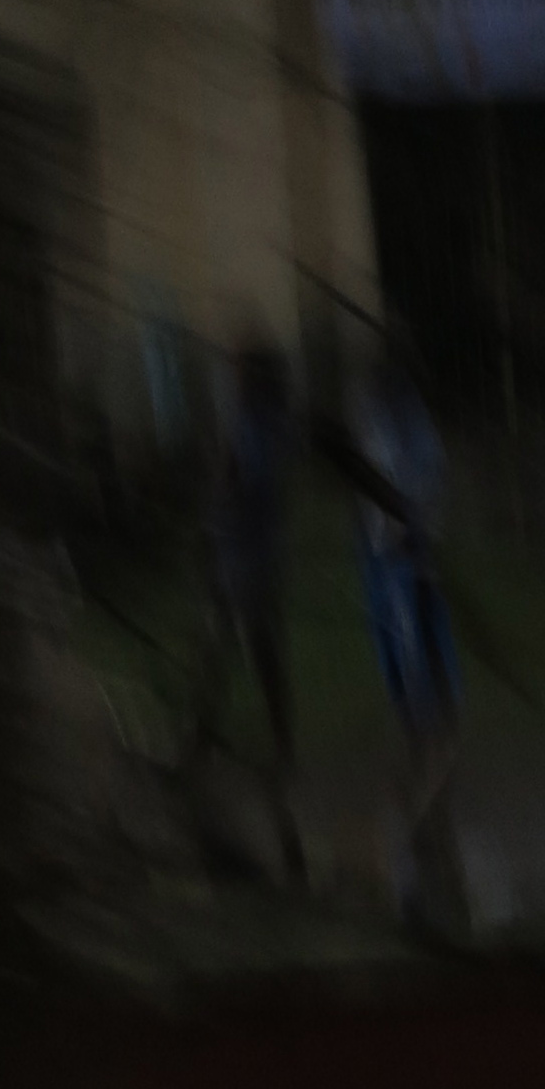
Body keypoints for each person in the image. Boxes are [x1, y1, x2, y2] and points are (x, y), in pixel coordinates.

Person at [349, 352, 458, 903]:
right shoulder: (388, 432)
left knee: (430, 730)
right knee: (429, 731)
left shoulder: (402, 429)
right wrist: (412, 533)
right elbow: (394, 517)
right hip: (403, 586)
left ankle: (424, 841)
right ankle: (409, 843)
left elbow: (419, 501)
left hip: (409, 584)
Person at [193, 340, 303, 880]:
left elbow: (241, 483)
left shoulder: (260, 425)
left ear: (250, 378)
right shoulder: (251, 422)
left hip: (249, 558)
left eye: (235, 371)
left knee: (258, 653)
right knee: (220, 647)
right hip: (233, 553)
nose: (228, 378)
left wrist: (220, 480)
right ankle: (202, 737)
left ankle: (279, 752)